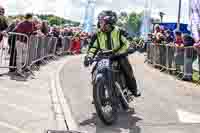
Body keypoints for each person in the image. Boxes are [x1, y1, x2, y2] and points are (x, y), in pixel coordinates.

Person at [84, 10, 140, 97]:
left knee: (127, 69)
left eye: (102, 22)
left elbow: (128, 41)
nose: (100, 24)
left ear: (109, 23)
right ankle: (98, 94)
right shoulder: (97, 34)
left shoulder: (119, 31)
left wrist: (130, 47)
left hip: (118, 55)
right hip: (104, 56)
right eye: (100, 21)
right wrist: (89, 57)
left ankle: (134, 89)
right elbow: (93, 48)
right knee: (95, 70)